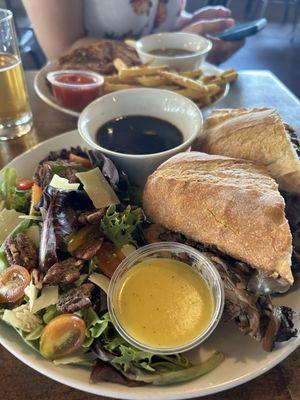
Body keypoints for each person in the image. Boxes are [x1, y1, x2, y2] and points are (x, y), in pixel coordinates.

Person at [23, 0, 244, 64]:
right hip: (83, 106)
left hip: (168, 97)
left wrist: (190, 24)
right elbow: (63, 50)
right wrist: (176, 49)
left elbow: (156, 20)